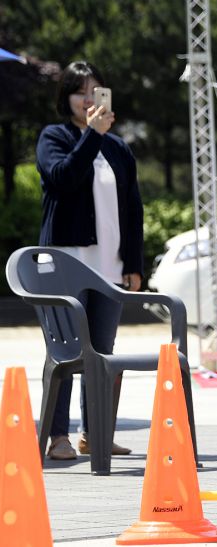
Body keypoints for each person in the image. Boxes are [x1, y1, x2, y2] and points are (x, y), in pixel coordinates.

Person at [36, 60, 144, 460]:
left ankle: (95, 433)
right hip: (65, 261)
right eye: (80, 91)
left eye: (95, 90)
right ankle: (58, 435)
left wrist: (134, 264)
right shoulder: (55, 137)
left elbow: (133, 211)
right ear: (66, 98)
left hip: (109, 266)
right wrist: (92, 137)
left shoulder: (117, 147)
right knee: (64, 350)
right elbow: (63, 178)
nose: (88, 98)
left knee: (102, 351)